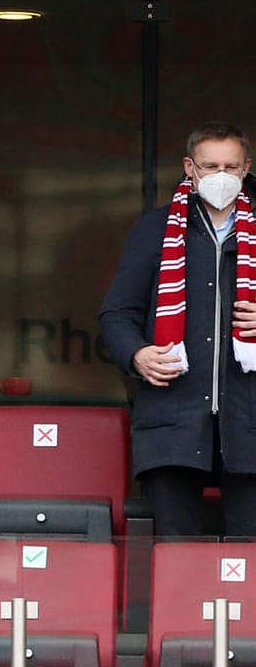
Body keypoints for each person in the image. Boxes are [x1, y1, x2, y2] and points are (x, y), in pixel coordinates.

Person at [100, 120, 256, 539]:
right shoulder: (156, 228)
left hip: (250, 423)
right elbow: (116, 314)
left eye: (230, 166)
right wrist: (136, 354)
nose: (221, 176)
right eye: (210, 166)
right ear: (189, 167)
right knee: (176, 565)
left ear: (246, 168)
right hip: (174, 425)